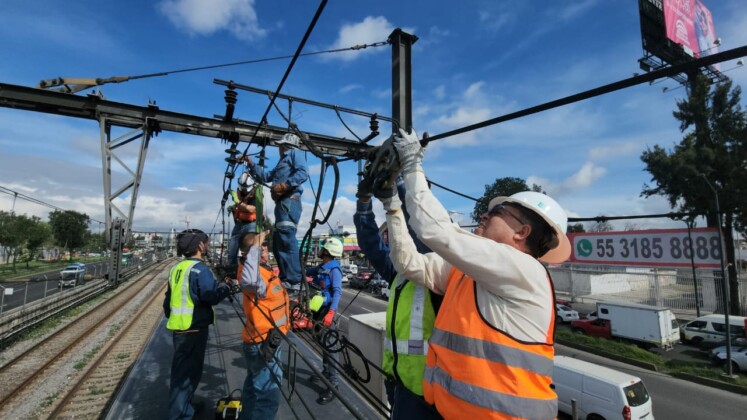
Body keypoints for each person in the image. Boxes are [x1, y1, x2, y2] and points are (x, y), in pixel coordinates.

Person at [383, 128, 572, 420]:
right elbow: (410, 264)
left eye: (497, 213)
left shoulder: (525, 270)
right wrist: (392, 208)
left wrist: (412, 166)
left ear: (522, 232)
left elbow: (436, 231)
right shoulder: (469, 273)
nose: (484, 215)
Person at [354, 176, 442, 419]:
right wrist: (364, 203)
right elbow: (372, 245)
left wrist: (403, 189)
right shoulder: (399, 274)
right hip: (396, 380)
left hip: (425, 392)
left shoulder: (441, 273)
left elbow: (425, 234)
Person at [163, 229, 232, 420]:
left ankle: (186, 406)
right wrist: (226, 287)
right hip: (194, 330)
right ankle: (181, 415)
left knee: (182, 372)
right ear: (201, 246)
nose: (208, 246)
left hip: (179, 327)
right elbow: (211, 297)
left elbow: (167, 302)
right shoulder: (200, 270)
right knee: (187, 375)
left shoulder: (177, 269)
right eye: (207, 243)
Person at [244, 133, 309, 291]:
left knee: (286, 238)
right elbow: (266, 176)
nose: (279, 148)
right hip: (282, 203)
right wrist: (251, 164)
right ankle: (287, 278)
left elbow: (303, 173)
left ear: (286, 146)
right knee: (279, 241)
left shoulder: (295, 154)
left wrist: (285, 185)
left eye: (280, 145)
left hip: (289, 201)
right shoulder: (282, 161)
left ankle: (294, 280)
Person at [236, 229, 290, 420]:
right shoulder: (251, 272)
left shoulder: (262, 269)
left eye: (265, 249)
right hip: (263, 342)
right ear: (248, 253)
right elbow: (251, 281)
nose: (264, 253)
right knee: (268, 398)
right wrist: (255, 247)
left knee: (252, 388)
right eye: (260, 249)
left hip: (265, 339)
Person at [305, 237, 344, 405]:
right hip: (318, 311)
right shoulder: (322, 267)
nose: (320, 250)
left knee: (330, 349)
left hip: (327, 311)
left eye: (323, 248)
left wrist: (331, 314)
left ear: (328, 251)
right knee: (321, 343)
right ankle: (326, 372)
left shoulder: (334, 270)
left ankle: (333, 385)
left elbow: (337, 292)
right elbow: (308, 272)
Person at [225, 172, 258, 276]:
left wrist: (237, 202)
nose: (243, 189)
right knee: (232, 252)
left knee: (250, 251)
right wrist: (234, 208)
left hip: (251, 224)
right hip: (239, 224)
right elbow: (240, 207)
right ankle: (232, 275)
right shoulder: (239, 192)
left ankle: (251, 275)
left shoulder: (257, 193)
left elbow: (251, 208)